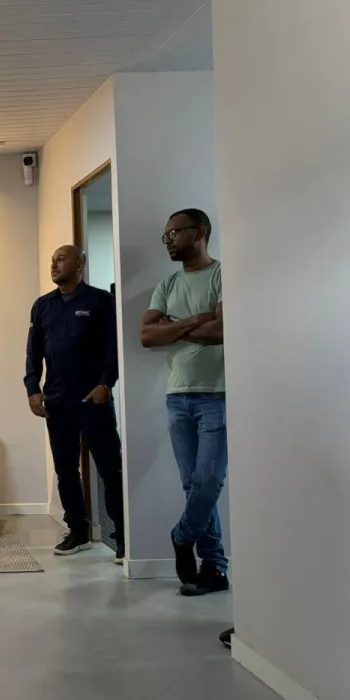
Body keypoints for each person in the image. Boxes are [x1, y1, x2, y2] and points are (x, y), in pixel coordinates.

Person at [139, 209, 228, 597]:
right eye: (166, 235)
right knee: (193, 484)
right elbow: (147, 335)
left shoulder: (223, 274)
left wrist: (172, 328)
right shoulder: (168, 284)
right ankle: (214, 568)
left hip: (217, 393)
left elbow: (223, 330)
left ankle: (182, 535)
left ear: (200, 232)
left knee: (209, 480)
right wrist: (195, 321)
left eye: (174, 232)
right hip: (177, 395)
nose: (169, 240)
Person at [25, 245, 125, 562]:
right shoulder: (43, 306)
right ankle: (78, 531)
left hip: (93, 399)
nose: (54, 264)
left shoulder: (100, 301)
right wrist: (32, 389)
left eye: (61, 259)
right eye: (52, 260)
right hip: (56, 402)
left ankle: (123, 536)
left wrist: (106, 383)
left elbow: (114, 347)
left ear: (80, 265)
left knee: (110, 468)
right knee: (66, 470)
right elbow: (33, 352)